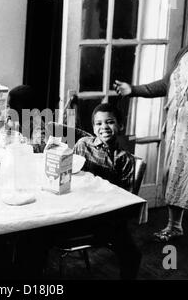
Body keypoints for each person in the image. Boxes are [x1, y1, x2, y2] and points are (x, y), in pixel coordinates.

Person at [114, 0, 188, 251]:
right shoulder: (184, 54)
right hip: (177, 131)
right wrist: (133, 90)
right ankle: (174, 225)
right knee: (174, 175)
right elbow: (166, 85)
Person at [70, 103, 141, 279]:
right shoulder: (82, 145)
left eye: (109, 122)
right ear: (93, 128)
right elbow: (69, 173)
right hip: (77, 210)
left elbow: (125, 197)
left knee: (133, 255)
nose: (104, 128)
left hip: (107, 215)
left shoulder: (124, 158)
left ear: (121, 125)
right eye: (98, 124)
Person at [4, 85, 47, 153]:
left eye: (10, 107)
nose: (7, 111)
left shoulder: (37, 123)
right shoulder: (11, 120)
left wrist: (20, 144)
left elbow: (38, 148)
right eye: (7, 106)